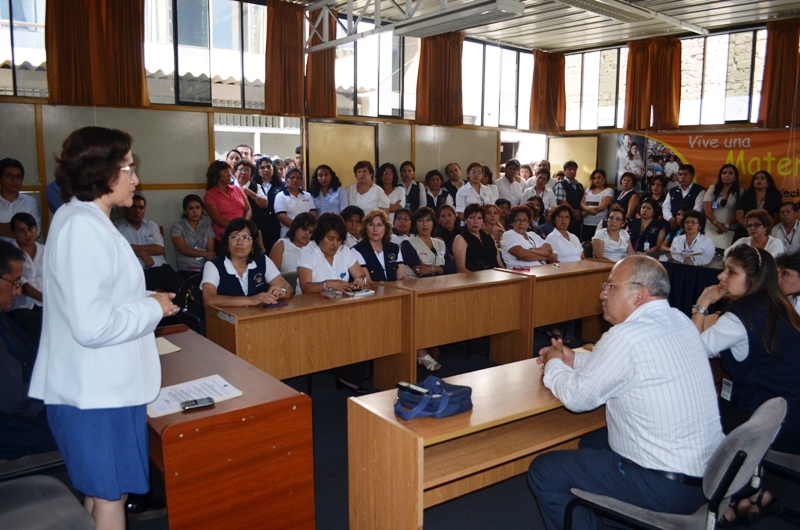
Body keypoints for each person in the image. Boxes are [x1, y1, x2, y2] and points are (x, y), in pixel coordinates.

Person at [29, 127, 180, 530]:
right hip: (95, 396)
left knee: (104, 495)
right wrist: (151, 308)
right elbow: (91, 325)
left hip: (101, 389)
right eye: (128, 168)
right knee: (110, 500)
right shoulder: (83, 226)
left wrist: (145, 299)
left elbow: (101, 295)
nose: (135, 178)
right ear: (101, 172)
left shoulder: (82, 217)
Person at [529, 255, 724, 530]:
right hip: (709, 476)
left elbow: (576, 399)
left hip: (666, 486)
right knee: (592, 443)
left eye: (611, 287)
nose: (602, 294)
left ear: (640, 294)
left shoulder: (625, 336)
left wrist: (554, 364)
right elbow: (631, 365)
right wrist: (573, 360)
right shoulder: (678, 320)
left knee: (544, 470)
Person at [693, 245, 800, 526]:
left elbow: (691, 351)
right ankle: (752, 493)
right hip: (788, 414)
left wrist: (702, 305)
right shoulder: (778, 304)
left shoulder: (738, 318)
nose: (721, 278)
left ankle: (721, 497)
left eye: (731, 272)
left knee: (698, 414)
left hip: (777, 424)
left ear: (752, 281)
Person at [0, 240, 58, 461]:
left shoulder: (5, 319)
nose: (18, 292)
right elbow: (16, 400)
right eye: (15, 283)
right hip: (17, 426)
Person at [201, 218, 293, 307]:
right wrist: (251, 300)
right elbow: (209, 299)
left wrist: (283, 292)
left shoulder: (262, 260)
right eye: (234, 237)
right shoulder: (213, 265)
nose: (239, 242)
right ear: (227, 243)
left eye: (245, 237)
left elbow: (287, 287)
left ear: (253, 244)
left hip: (254, 318)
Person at [115, 195, 185, 294]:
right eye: (133, 207)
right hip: (136, 272)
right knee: (142, 296)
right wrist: (141, 252)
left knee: (184, 289)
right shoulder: (116, 227)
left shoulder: (151, 225)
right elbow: (116, 249)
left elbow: (159, 249)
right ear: (125, 209)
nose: (137, 210)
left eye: (141, 208)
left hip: (161, 269)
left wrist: (135, 249)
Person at [297, 212, 367, 295]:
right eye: (330, 239)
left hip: (339, 302)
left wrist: (360, 280)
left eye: (339, 240)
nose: (335, 244)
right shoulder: (307, 253)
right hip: (312, 304)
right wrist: (328, 284)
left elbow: (362, 275)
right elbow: (305, 287)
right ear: (320, 236)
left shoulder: (344, 251)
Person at [204, 160, 251, 246]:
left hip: (243, 234)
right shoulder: (210, 195)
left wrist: (244, 224)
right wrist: (236, 228)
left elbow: (248, 209)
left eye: (229, 171)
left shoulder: (237, 189)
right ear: (217, 174)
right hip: (223, 237)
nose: (229, 174)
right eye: (225, 172)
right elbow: (217, 220)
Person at [401, 207, 456, 280]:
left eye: (428, 220)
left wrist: (431, 268)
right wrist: (442, 269)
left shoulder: (440, 243)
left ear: (433, 223)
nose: (424, 224)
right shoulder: (407, 244)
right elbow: (420, 272)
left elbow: (452, 269)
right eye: (420, 220)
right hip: (417, 286)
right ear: (415, 224)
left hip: (442, 285)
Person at [352, 209, 406, 282]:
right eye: (371, 225)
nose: (375, 229)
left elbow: (402, 277)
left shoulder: (394, 248)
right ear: (365, 228)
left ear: (385, 228)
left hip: (395, 291)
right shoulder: (357, 250)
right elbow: (367, 281)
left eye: (379, 225)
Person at [170, 194, 215, 279]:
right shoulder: (177, 227)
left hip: (205, 269)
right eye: (190, 208)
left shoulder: (207, 227)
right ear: (185, 211)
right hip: (186, 270)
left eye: (197, 207)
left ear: (202, 209)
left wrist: (207, 270)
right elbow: (183, 250)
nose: (195, 211)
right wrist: (205, 254)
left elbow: (210, 252)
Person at [0, 158, 43, 244]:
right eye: (9, 176)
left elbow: (35, 232)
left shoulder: (30, 202)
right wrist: (23, 226)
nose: (14, 180)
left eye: (18, 177)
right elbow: (29, 231)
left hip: (25, 253)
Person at [734, 170, 782, 242]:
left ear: (768, 183)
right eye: (756, 178)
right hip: (744, 231)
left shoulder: (775, 197)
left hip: (766, 232)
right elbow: (739, 215)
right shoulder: (746, 195)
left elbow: (777, 217)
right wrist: (749, 227)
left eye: (762, 178)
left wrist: (764, 228)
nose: (759, 180)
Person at [9, 213, 44, 311]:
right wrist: (45, 298)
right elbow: (19, 282)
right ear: (13, 233)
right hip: (19, 307)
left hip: (47, 306)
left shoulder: (48, 251)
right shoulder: (8, 253)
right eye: (21, 231)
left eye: (30, 228)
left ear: (36, 229)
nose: (27, 234)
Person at [452, 203, 500, 272]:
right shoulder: (460, 239)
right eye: (471, 218)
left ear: (483, 220)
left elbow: (499, 263)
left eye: (479, 218)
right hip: (473, 279)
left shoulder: (489, 237)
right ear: (465, 220)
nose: (475, 222)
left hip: (495, 277)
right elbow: (461, 269)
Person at [703, 164, 740, 250]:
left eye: (730, 173)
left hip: (730, 229)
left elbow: (739, 213)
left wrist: (726, 225)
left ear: (735, 177)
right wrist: (717, 224)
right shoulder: (713, 188)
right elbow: (707, 210)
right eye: (724, 173)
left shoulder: (740, 191)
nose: (727, 175)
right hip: (711, 227)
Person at [254, 156, 284, 254]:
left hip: (276, 225)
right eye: (262, 168)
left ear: (273, 168)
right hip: (258, 227)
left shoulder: (282, 185)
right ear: (257, 170)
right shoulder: (253, 185)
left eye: (268, 167)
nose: (266, 170)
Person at [662, 164, 705, 230]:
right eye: (680, 174)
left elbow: (697, 209)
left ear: (692, 175)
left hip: (689, 228)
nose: (682, 177)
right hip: (672, 225)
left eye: (685, 174)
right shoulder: (672, 191)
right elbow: (666, 207)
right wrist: (670, 218)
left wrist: (683, 220)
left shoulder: (699, 191)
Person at [580, 169, 614, 242]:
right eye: (594, 178)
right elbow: (582, 203)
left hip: (599, 223)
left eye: (599, 177)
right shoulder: (589, 189)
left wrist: (587, 212)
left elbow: (603, 206)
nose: (596, 180)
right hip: (586, 222)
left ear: (604, 179)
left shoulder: (608, 191)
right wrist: (587, 209)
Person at [554, 161, 584, 236]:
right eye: (570, 169)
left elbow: (583, 200)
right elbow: (562, 201)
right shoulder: (561, 184)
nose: (572, 171)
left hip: (578, 217)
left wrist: (580, 212)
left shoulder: (579, 185)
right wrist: (573, 212)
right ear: (564, 171)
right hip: (566, 216)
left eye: (574, 169)